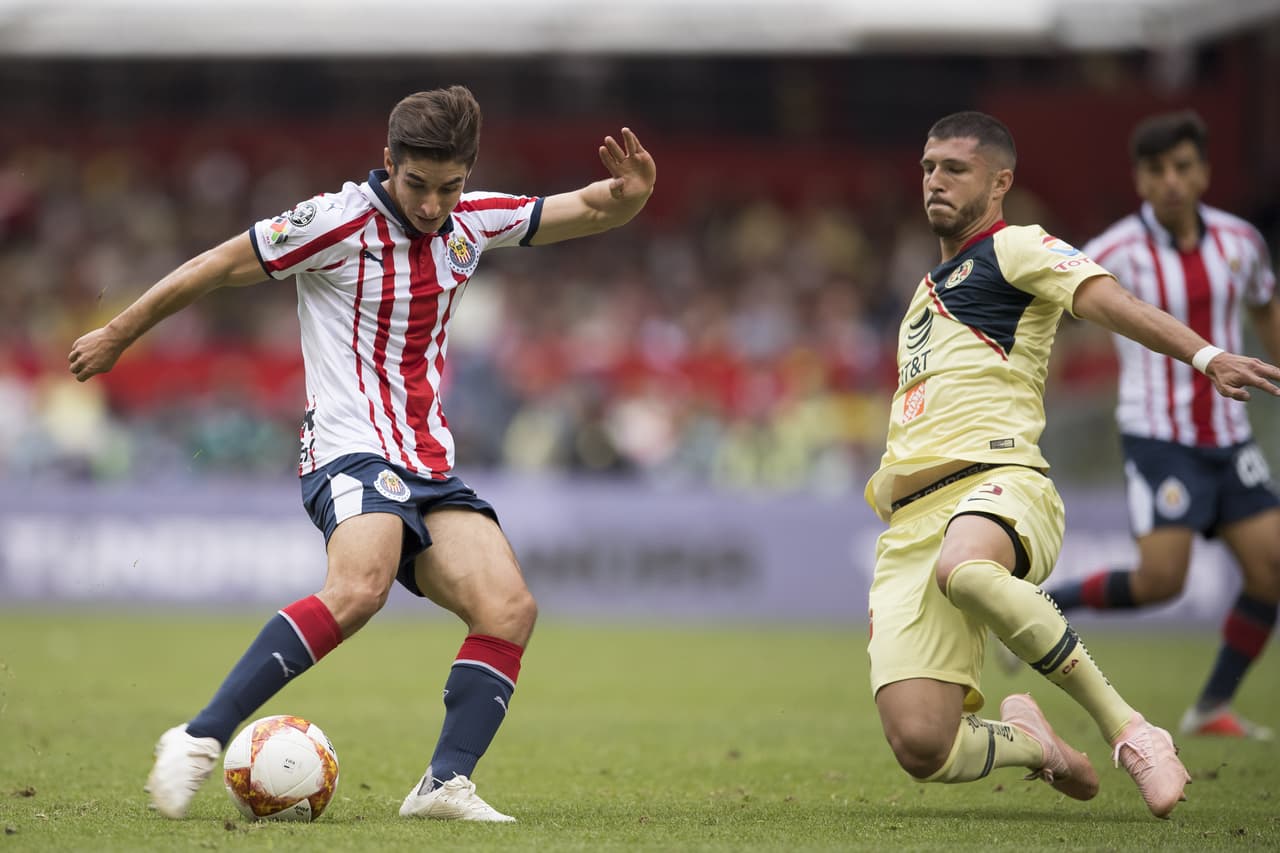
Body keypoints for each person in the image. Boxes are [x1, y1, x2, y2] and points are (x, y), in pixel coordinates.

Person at [67, 85, 657, 822]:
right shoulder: (335, 221)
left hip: (429, 467)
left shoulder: (475, 223)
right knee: (360, 587)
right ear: (388, 162)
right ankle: (196, 736)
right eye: (418, 184)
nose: (434, 204)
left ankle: (443, 785)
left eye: (451, 186)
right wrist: (120, 332)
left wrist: (634, 194)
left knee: (508, 607)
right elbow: (218, 264)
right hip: (348, 451)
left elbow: (594, 207)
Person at [864, 110, 1280, 820]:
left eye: (955, 168)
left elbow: (1111, 302)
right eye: (930, 166)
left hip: (998, 482)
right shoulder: (921, 295)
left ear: (1000, 184)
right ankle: (1038, 745)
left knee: (965, 567)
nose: (935, 179)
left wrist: (1206, 355)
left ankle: (1131, 730)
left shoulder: (1016, 248)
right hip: (908, 524)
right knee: (921, 744)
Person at [1044, 111, 1280, 740]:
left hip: (1230, 437)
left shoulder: (1242, 243)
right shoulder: (1114, 251)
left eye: (1183, 166)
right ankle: (1050, 604)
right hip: (1158, 437)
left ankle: (1210, 708)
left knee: (1272, 568)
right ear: (1140, 180)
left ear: (1203, 171)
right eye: (1157, 170)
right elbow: (1059, 320)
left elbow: (1264, 306)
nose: (1172, 181)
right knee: (1160, 582)